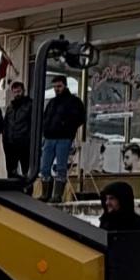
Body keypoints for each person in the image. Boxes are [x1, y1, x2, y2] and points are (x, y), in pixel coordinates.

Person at [38, 75, 85, 203]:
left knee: (61, 167)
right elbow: (45, 118)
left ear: (65, 85)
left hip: (64, 138)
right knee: (45, 167)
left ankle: (57, 195)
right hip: (49, 137)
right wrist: (45, 130)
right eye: (54, 87)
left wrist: (68, 127)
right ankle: (45, 194)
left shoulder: (74, 101)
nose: (56, 89)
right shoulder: (52, 103)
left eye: (59, 86)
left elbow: (80, 118)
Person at [2, 81, 33, 183]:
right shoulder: (10, 108)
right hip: (11, 145)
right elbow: (5, 126)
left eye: (19, 91)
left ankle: (28, 193)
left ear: (23, 91)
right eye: (15, 92)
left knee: (26, 171)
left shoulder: (30, 105)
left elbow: (34, 124)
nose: (17, 94)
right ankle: (12, 193)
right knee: (11, 172)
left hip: (25, 145)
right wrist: (5, 143)